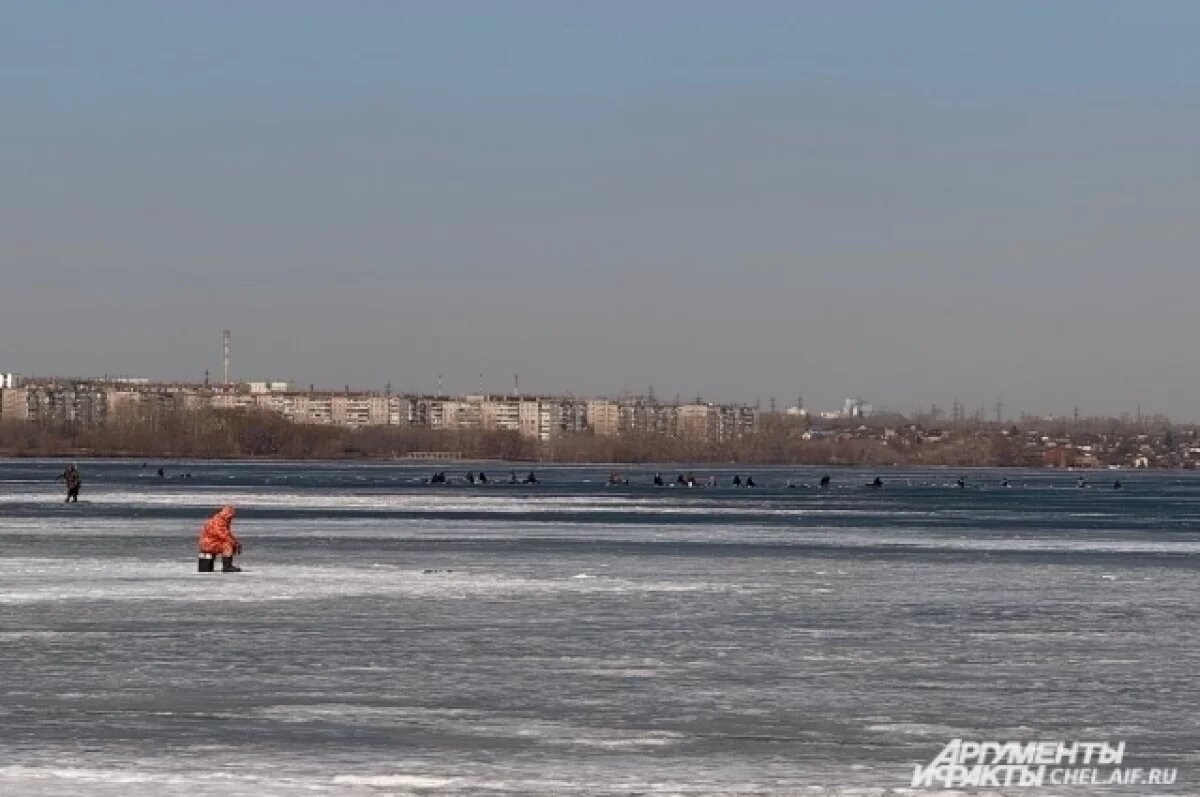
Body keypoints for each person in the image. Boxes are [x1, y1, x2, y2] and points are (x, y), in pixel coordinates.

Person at [197, 505, 242, 573]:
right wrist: (234, 543)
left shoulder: (218, 519)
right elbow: (222, 535)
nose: (231, 517)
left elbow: (227, 534)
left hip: (206, 543)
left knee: (228, 543)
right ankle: (227, 567)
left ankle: (205, 567)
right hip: (209, 544)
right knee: (227, 545)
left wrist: (236, 542)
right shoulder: (219, 521)